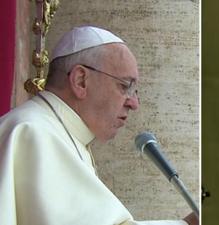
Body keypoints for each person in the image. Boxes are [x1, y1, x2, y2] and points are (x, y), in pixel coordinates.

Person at [0, 26, 198, 225]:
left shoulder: (59, 135)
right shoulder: (32, 134)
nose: (134, 103)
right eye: (125, 86)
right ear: (81, 80)